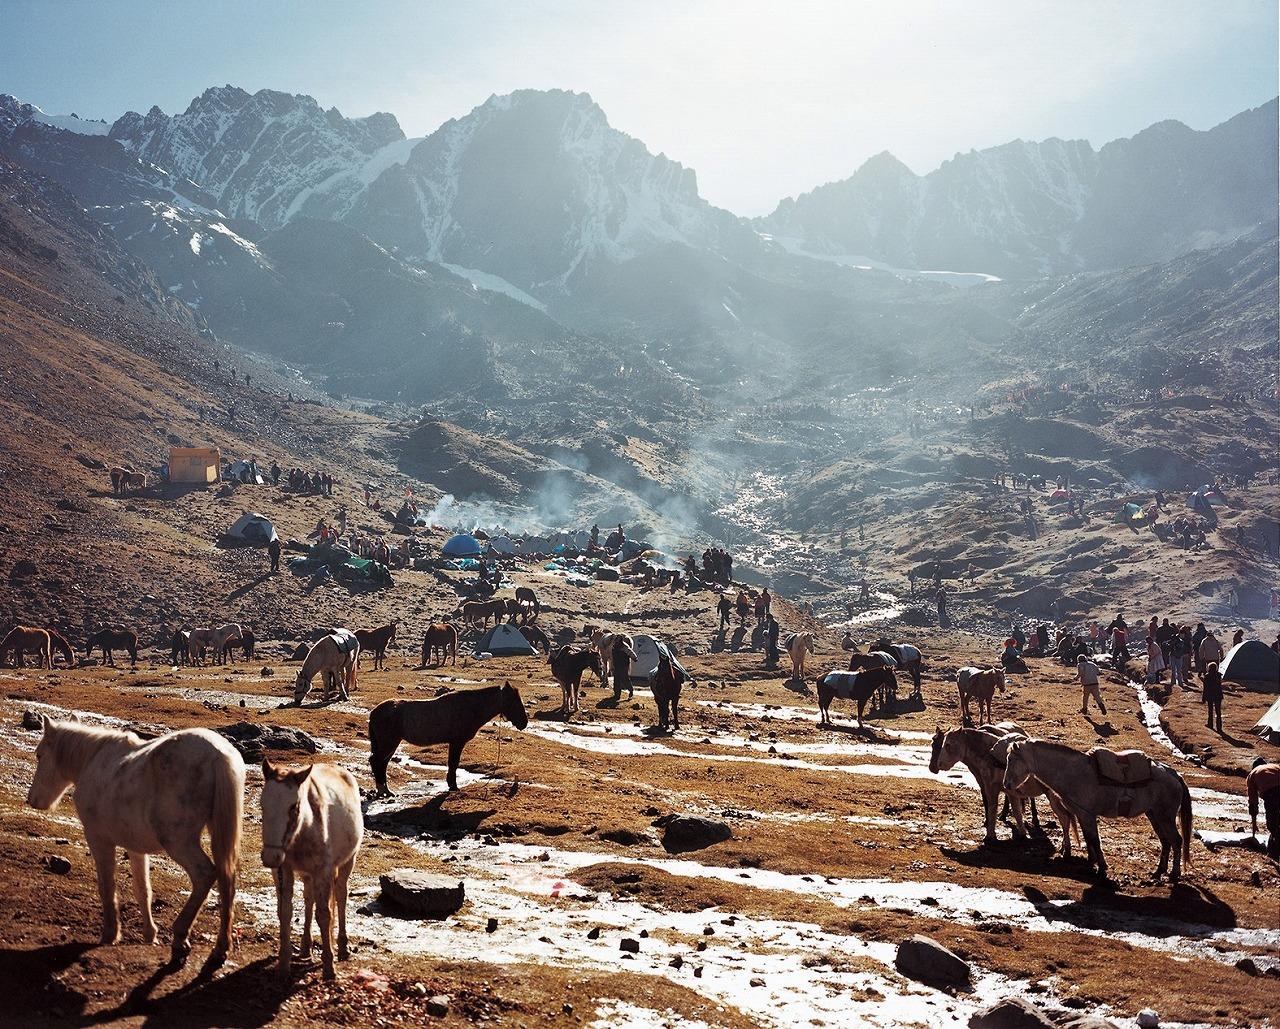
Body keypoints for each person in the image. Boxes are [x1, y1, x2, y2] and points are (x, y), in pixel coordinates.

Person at [1245, 757, 1280, 860]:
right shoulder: (1275, 766)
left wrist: (1254, 824)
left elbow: (1253, 802)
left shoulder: (1252, 774)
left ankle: (1274, 855)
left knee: (1272, 825)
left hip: (1271, 793)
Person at [612, 635, 636, 701]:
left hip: (623, 666)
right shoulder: (614, 646)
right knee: (616, 681)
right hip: (617, 665)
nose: (617, 641)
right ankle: (617, 695)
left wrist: (634, 657)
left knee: (625, 679)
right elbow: (612, 657)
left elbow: (630, 652)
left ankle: (631, 691)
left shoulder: (624, 646)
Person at [1201, 661, 1223, 731]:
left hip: (1210, 695)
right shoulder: (1219, 675)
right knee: (1218, 711)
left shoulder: (1207, 676)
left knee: (1210, 710)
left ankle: (1210, 724)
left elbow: (1205, 688)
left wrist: (1203, 698)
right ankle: (1219, 727)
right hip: (1218, 695)